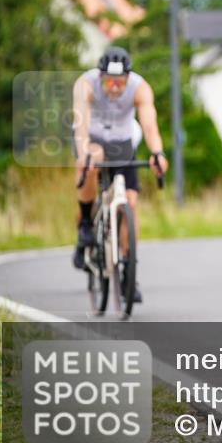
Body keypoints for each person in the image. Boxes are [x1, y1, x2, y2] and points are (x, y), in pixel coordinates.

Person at [72, 47, 168, 302]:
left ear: (128, 78)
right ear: (100, 77)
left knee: (131, 203)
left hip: (124, 140)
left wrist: (157, 153)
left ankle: (128, 270)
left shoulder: (140, 87)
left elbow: (149, 124)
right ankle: (85, 223)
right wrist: (83, 153)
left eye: (120, 82)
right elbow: (81, 124)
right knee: (91, 163)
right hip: (92, 137)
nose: (114, 87)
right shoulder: (85, 84)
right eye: (109, 82)